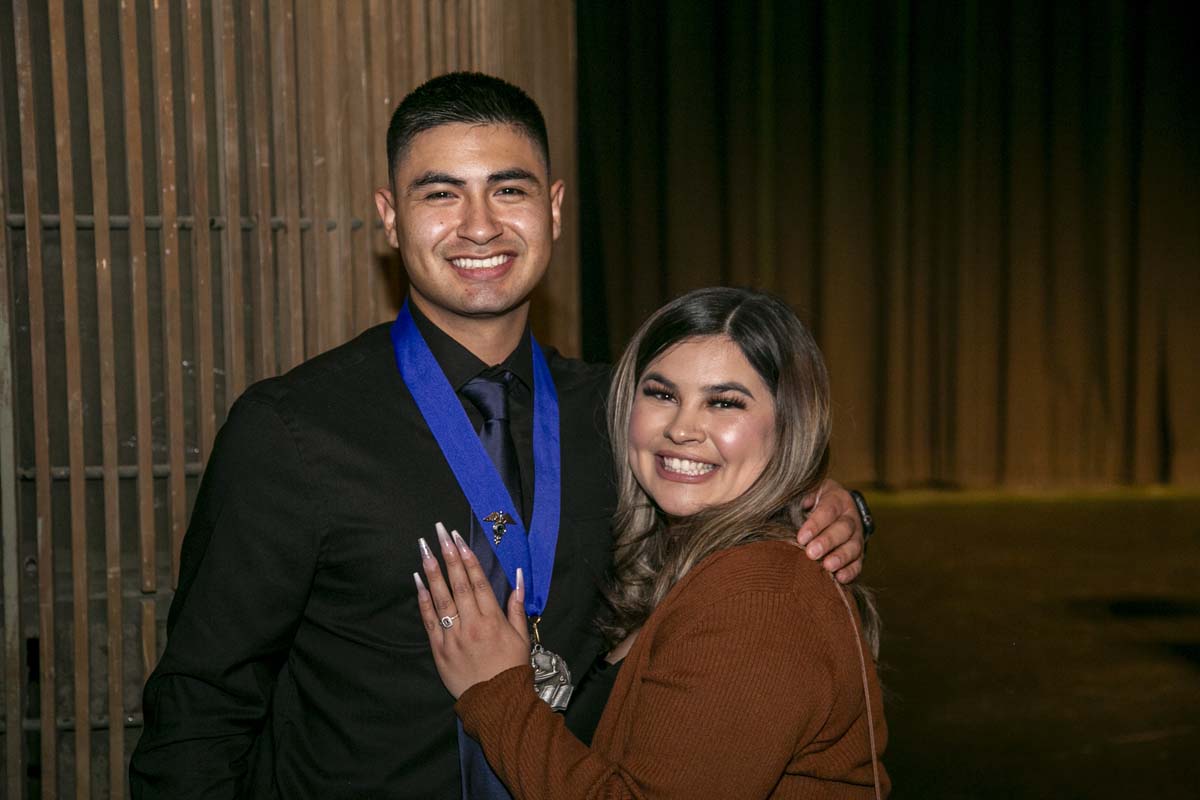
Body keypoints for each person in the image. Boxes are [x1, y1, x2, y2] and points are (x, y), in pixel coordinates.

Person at [129, 73, 870, 799]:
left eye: (509, 190)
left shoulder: (621, 417)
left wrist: (825, 503)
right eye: (440, 194)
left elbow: (734, 486)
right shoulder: (293, 429)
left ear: (553, 209)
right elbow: (201, 705)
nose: (479, 225)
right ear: (390, 218)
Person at [416, 287, 889, 799]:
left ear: (789, 425)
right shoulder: (682, 553)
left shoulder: (761, 598)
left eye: (724, 403)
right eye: (662, 394)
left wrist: (495, 691)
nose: (682, 429)